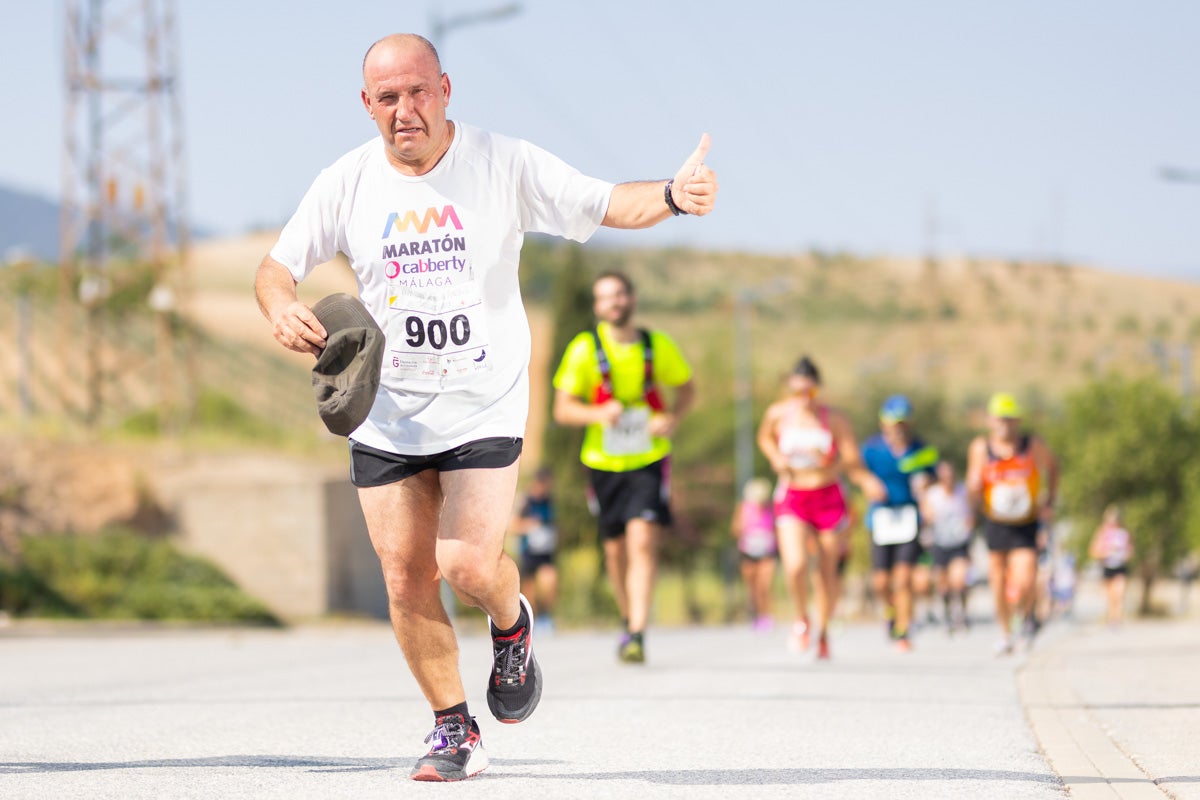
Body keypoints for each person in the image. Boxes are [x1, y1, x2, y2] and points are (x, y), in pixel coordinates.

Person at [253, 33, 718, 782]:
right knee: (405, 577)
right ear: (366, 105)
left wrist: (670, 195)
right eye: (387, 98)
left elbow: (603, 203)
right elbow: (277, 268)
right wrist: (280, 307)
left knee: (467, 563)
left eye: (418, 92)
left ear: (445, 88)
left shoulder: (504, 163)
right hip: (389, 408)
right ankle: (453, 728)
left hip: (483, 401)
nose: (405, 111)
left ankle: (513, 621)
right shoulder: (345, 181)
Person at [552, 271, 696, 665]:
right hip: (602, 464)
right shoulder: (583, 349)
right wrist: (598, 412)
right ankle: (626, 614)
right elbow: (562, 409)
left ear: (631, 298)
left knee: (643, 542)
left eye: (619, 295)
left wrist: (672, 418)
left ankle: (637, 631)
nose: (614, 303)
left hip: (649, 460)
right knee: (615, 550)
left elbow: (687, 388)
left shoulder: (656, 345)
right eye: (605, 298)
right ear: (597, 307)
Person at [756, 356, 880, 660]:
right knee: (795, 564)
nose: (803, 399)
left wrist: (829, 461)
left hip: (827, 496)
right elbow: (764, 439)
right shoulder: (778, 414)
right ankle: (802, 618)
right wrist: (776, 458)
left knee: (826, 572)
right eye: (797, 391)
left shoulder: (833, 419)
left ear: (818, 390)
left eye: (809, 392)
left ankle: (823, 632)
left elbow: (851, 456)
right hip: (792, 495)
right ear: (789, 389)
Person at [966, 392, 1059, 656]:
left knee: (1025, 578)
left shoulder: (1032, 445)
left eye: (1009, 420)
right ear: (989, 421)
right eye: (999, 420)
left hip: (1025, 520)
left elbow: (1053, 467)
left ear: (1017, 422)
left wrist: (1049, 501)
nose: (1004, 426)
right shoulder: (981, 448)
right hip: (995, 520)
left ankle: (1026, 616)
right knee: (997, 578)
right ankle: (1005, 632)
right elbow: (974, 479)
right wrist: (972, 499)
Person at [860, 395, 939, 653]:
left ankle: (904, 629)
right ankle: (891, 611)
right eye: (893, 423)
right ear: (883, 423)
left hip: (909, 518)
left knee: (904, 578)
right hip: (881, 518)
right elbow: (854, 469)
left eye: (903, 423)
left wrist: (928, 487)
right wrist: (867, 483)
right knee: (881, 582)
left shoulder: (922, 449)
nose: (898, 428)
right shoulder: (871, 450)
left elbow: (934, 476)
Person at [920, 459, 974, 633]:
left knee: (959, 580)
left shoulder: (963, 492)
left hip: (959, 542)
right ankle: (947, 613)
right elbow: (925, 515)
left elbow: (972, 513)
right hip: (940, 542)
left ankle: (963, 614)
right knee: (942, 582)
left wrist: (969, 524)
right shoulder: (932, 494)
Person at [510, 466, 559, 634]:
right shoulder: (525, 501)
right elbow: (512, 526)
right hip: (528, 552)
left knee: (549, 581)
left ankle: (546, 616)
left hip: (545, 553)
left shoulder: (549, 501)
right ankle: (533, 620)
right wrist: (529, 527)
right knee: (529, 590)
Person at [731, 476, 778, 632]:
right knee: (753, 588)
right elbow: (735, 529)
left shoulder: (771, 508)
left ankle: (766, 616)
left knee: (764, 586)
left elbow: (777, 529)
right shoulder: (743, 508)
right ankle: (756, 615)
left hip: (767, 552)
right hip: (748, 552)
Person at [1089, 504, 1133, 627]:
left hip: (1120, 567)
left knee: (1119, 593)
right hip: (1107, 566)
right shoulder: (1102, 533)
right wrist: (1106, 552)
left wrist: (1125, 554)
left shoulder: (1124, 533)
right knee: (1110, 596)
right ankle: (1111, 617)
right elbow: (1093, 551)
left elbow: (1130, 550)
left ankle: (1117, 620)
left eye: (1116, 519)